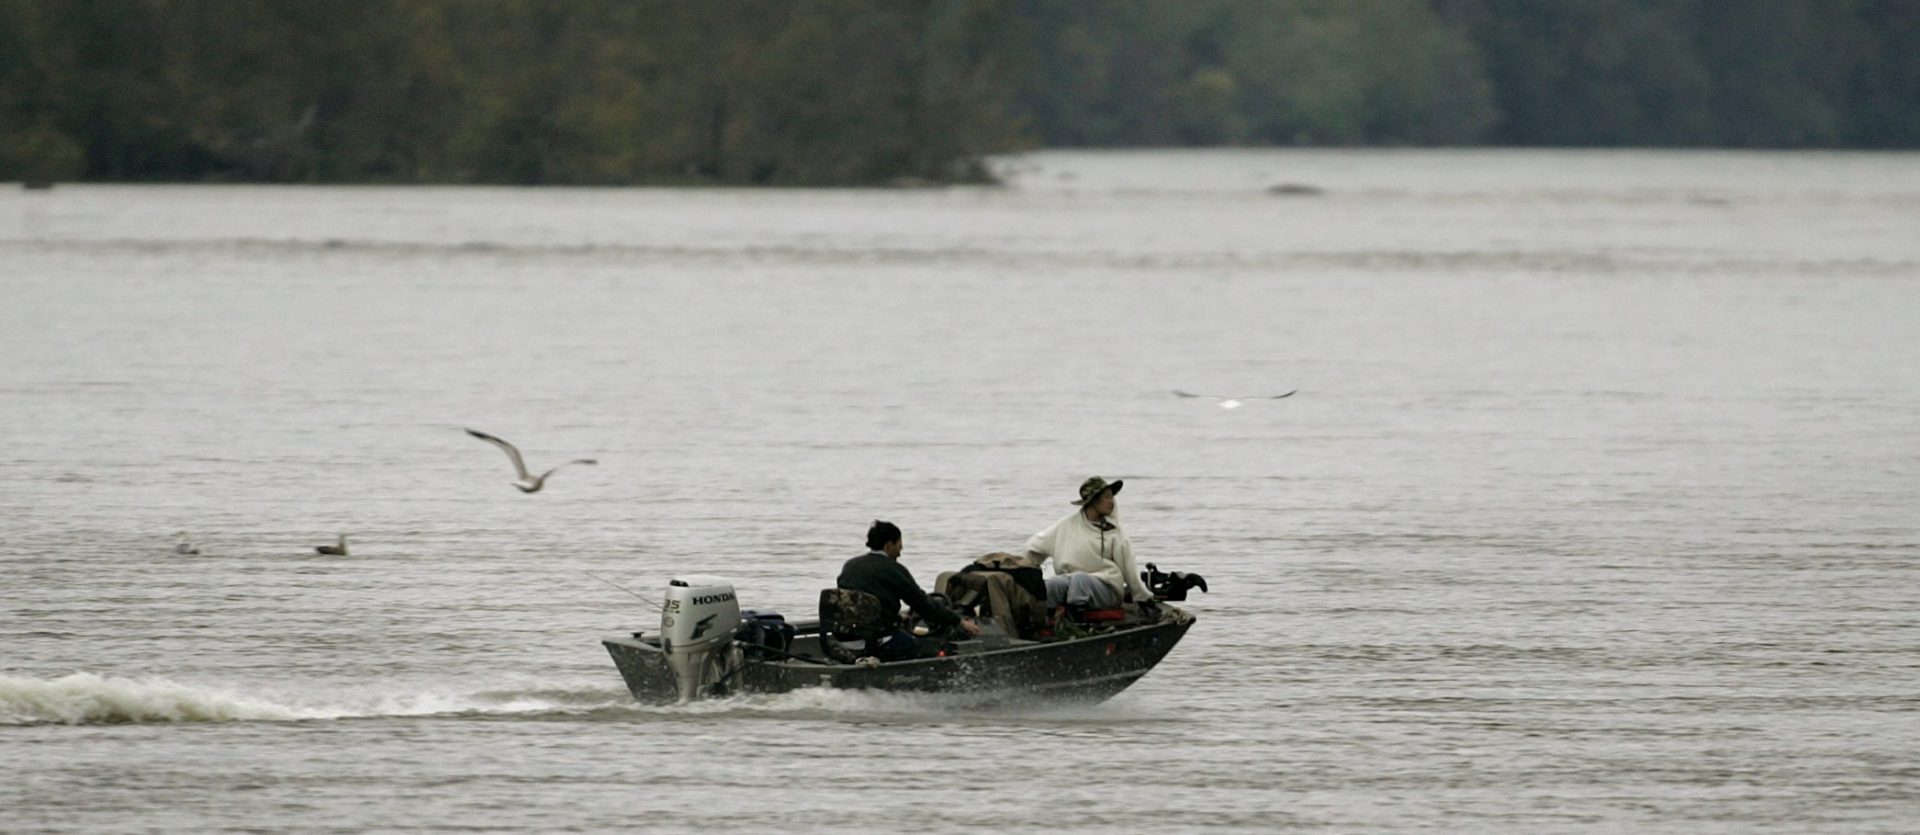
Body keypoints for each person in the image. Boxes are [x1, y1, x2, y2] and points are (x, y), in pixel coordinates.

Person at [837, 520, 979, 661]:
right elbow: (923, 604)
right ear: (889, 545)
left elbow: (863, 605)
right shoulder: (892, 569)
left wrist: (897, 617)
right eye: (899, 544)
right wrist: (959, 622)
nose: (901, 550)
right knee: (937, 650)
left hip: (846, 640)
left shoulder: (850, 566)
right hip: (878, 642)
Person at [1024, 476, 1155, 616]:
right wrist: (1025, 572)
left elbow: (1129, 568)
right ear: (1093, 501)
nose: (1112, 502)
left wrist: (1143, 597)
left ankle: (1076, 618)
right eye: (1107, 497)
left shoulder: (1114, 532)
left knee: (1081, 580)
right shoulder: (1066, 525)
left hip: (1106, 588)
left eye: (1112, 497)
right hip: (1073, 582)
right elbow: (1033, 548)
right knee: (1053, 584)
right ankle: (1043, 621)